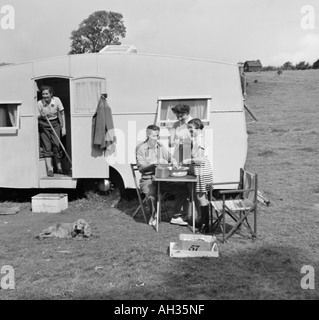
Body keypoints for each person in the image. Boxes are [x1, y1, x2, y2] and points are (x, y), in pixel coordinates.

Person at [136, 124, 189, 227]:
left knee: (183, 190)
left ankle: (175, 216)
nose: (156, 138)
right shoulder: (141, 148)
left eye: (158, 136)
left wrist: (173, 162)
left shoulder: (160, 146)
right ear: (147, 135)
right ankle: (154, 215)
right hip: (148, 179)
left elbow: (170, 157)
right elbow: (141, 168)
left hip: (162, 178)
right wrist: (154, 162)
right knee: (151, 196)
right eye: (154, 136)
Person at [182, 118, 213, 234]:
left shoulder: (200, 141)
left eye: (191, 128)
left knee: (201, 197)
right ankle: (203, 221)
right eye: (188, 128)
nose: (189, 130)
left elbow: (200, 160)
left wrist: (188, 160)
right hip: (201, 170)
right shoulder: (197, 139)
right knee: (201, 196)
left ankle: (205, 225)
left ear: (198, 128)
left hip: (202, 170)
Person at [38, 85, 66, 177]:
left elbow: (62, 113)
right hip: (44, 124)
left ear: (51, 94)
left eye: (46, 94)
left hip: (55, 123)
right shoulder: (39, 103)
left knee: (56, 145)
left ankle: (59, 167)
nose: (45, 96)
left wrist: (64, 127)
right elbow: (37, 116)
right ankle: (50, 169)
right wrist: (42, 115)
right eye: (43, 94)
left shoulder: (57, 100)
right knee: (47, 147)